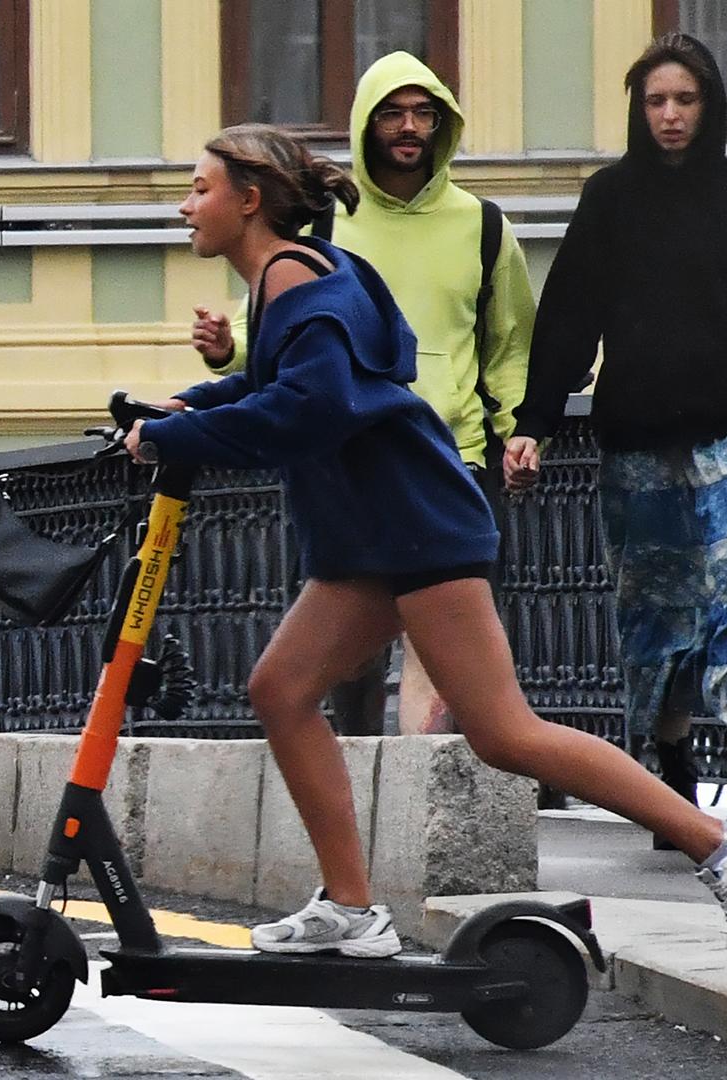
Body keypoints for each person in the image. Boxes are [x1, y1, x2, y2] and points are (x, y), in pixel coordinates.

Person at [127, 123, 727, 959]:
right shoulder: (295, 276)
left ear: (249, 200)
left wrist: (178, 440)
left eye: (199, 189)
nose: (186, 207)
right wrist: (190, 405)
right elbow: (297, 382)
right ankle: (349, 907)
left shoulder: (295, 277)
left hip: (415, 526)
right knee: (282, 690)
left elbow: (313, 408)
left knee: (503, 732)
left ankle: (725, 846)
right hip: (373, 536)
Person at [508, 32, 727, 846]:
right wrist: (533, 421)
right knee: (658, 620)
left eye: (686, 99)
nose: (671, 116)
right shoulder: (610, 198)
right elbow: (568, 316)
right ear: (640, 111)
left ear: (710, 107)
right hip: (639, 450)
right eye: (656, 101)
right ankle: (670, 775)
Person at [192, 52, 535, 736]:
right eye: (393, 113)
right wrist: (228, 349)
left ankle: (417, 810)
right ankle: (367, 799)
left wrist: (524, 427)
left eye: (424, 114)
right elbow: (282, 332)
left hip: (451, 461)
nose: (410, 128)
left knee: (445, 679)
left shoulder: (485, 225)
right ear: (364, 124)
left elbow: (513, 341)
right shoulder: (326, 232)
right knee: (344, 671)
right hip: (348, 467)